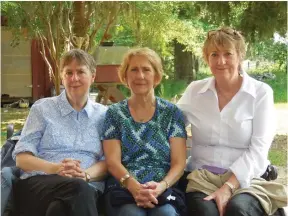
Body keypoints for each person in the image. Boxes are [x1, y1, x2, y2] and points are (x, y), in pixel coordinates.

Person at [177, 27, 287, 216]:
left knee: (238, 210)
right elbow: (168, 124)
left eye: (228, 54)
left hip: (248, 179)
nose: (221, 61)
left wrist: (228, 187)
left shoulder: (260, 93)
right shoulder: (195, 91)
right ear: (206, 57)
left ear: (240, 56)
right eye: (214, 54)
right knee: (206, 212)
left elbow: (259, 149)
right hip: (202, 178)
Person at [11, 49, 107, 216]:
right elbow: (21, 159)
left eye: (80, 72)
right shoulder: (42, 108)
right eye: (68, 72)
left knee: (59, 209)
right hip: (39, 185)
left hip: (87, 186)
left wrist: (85, 175)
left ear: (93, 76)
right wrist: (57, 168)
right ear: (62, 77)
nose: (74, 78)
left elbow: (109, 161)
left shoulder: (105, 115)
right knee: (77, 188)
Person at [102, 47, 187, 216]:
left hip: (164, 189)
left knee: (166, 214)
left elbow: (179, 163)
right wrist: (134, 187)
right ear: (125, 76)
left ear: (156, 76)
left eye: (146, 70)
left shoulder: (171, 113)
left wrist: (161, 186)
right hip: (124, 188)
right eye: (134, 70)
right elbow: (112, 162)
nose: (140, 76)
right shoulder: (115, 114)